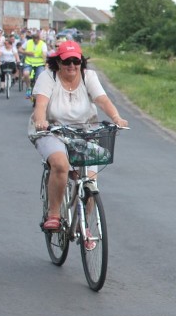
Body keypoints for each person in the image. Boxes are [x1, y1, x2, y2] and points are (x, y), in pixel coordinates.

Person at [29, 41, 128, 231]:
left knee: (90, 182)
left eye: (77, 61)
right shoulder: (47, 77)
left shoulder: (88, 76)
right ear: (58, 62)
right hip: (52, 130)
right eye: (67, 62)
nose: (72, 66)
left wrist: (116, 118)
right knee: (60, 164)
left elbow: (102, 99)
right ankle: (55, 215)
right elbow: (40, 105)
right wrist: (41, 121)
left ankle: (84, 228)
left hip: (85, 132)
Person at [20, 31, 48, 99]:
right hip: (29, 62)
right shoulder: (28, 42)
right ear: (32, 38)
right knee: (26, 74)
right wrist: (26, 52)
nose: (35, 40)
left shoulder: (43, 44)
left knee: (39, 77)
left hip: (39, 63)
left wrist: (45, 63)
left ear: (39, 39)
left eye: (37, 39)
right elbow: (20, 49)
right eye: (34, 39)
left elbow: (44, 54)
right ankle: (29, 88)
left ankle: (36, 91)